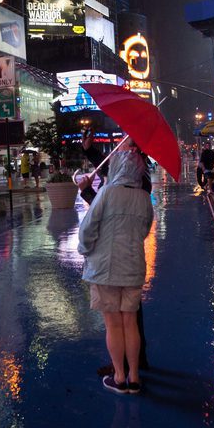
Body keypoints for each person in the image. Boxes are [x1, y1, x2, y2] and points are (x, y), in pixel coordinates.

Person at [78, 147, 154, 395]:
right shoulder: (144, 197)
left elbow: (88, 228)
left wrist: (85, 249)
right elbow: (144, 231)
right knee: (130, 322)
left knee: (113, 324)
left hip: (105, 269)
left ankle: (119, 377)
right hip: (133, 267)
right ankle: (134, 377)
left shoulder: (108, 193)